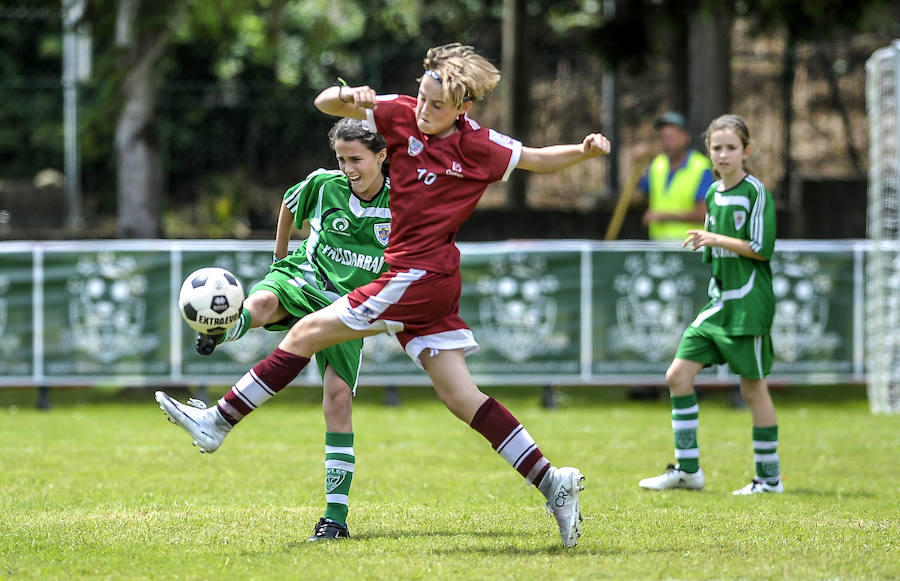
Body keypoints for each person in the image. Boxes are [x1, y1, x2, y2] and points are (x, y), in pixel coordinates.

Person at [154, 43, 611, 548]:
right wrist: (350, 94)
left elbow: (539, 158)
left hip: (419, 276)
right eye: (422, 97)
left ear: (463, 108)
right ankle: (553, 482)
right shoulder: (398, 114)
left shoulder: (480, 145)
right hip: (423, 282)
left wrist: (584, 152)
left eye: (436, 105)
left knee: (306, 332)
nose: (423, 110)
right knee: (461, 397)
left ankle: (218, 421)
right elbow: (325, 103)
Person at [156, 117, 391, 542]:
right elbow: (288, 204)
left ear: (382, 155)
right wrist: (280, 260)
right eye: (341, 158)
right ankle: (217, 332)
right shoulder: (324, 184)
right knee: (262, 301)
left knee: (338, 401)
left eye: (356, 159)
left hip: (350, 306)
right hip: (306, 275)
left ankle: (335, 518)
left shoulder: (403, 202)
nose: (348, 168)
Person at [638, 114, 782, 496]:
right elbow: (714, 251)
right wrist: (709, 243)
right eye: (716, 148)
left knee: (753, 390)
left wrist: (714, 238)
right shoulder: (715, 193)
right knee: (677, 376)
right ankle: (688, 471)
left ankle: (769, 479)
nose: (722, 154)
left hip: (749, 304)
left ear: (745, 151)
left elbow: (759, 249)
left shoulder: (755, 192)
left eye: (731, 147)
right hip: (719, 304)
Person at [637, 111, 715, 241]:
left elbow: (705, 214)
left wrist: (663, 216)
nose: (667, 141)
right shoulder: (657, 165)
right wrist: (636, 164)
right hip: (659, 245)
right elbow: (638, 193)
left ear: (685, 137)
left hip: (690, 246)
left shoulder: (700, 167)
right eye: (663, 137)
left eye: (672, 136)